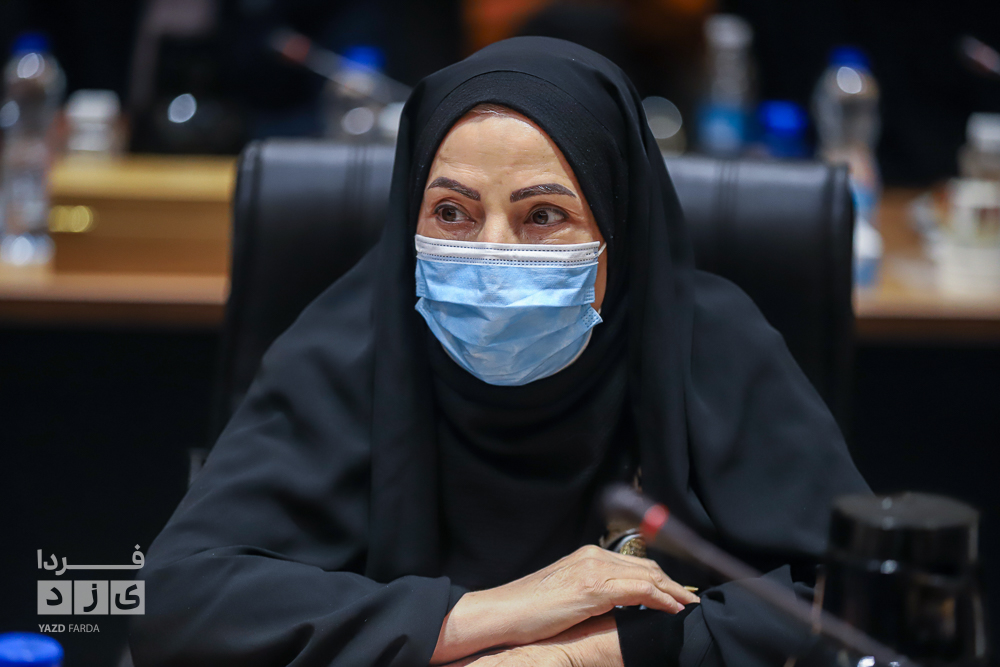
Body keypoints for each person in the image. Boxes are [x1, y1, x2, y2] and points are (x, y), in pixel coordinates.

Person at [130, 37, 869, 667]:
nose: (492, 256)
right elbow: (172, 599)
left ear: (618, 225)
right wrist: (485, 615)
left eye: (543, 214)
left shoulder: (709, 342)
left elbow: (855, 598)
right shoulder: (353, 342)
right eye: (451, 211)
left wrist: (579, 655)